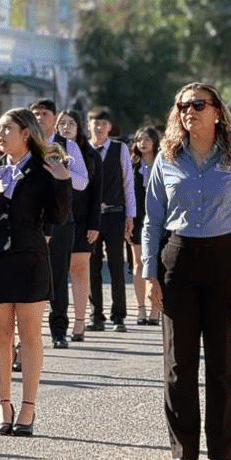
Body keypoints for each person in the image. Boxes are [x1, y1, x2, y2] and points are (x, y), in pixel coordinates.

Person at [143, 83, 231, 460]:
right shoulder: (167, 158)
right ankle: (184, 455)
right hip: (177, 261)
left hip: (225, 262)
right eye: (182, 105)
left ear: (217, 112)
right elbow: (152, 221)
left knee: (225, 364)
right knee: (178, 364)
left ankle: (222, 456)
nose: (188, 111)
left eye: (198, 104)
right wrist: (148, 273)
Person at [0, 107, 71, 439]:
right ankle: (3, 405)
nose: (0, 134)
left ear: (25, 132)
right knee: (0, 336)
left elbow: (59, 214)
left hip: (30, 259)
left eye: (6, 128)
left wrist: (63, 182)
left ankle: (28, 406)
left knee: (29, 336)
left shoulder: (44, 170)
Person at [31, 99, 89, 352]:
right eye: (36, 113)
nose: (40, 117)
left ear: (54, 118)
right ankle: (27, 335)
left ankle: (59, 330)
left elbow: (83, 182)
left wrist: (63, 174)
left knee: (57, 275)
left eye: (45, 113)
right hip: (31, 220)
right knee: (30, 278)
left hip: (61, 220)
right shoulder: (26, 143)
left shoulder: (69, 146)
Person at [55, 110, 102, 343]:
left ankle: (80, 321)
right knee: (58, 272)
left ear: (79, 126)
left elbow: (95, 192)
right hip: (58, 220)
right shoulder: (51, 150)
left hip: (83, 218)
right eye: (61, 123)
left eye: (70, 123)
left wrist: (95, 223)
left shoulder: (89, 154)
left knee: (80, 270)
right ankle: (59, 319)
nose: (65, 127)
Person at [88, 107, 136, 333]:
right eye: (94, 123)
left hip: (116, 214)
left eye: (102, 124)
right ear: (88, 126)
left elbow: (128, 183)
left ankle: (119, 316)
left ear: (109, 127)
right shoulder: (82, 150)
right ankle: (96, 314)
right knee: (92, 265)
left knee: (117, 266)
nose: (98, 128)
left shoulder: (120, 149)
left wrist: (130, 215)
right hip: (91, 217)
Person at [130, 126, 161, 325]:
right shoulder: (132, 166)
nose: (143, 143)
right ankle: (141, 308)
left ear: (154, 141)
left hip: (159, 218)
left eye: (147, 139)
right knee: (138, 262)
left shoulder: (163, 162)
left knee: (157, 263)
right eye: (139, 139)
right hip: (137, 217)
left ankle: (156, 308)